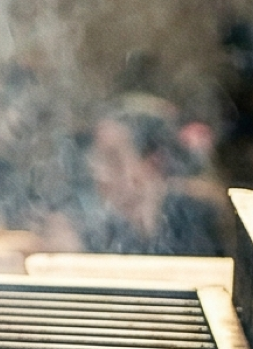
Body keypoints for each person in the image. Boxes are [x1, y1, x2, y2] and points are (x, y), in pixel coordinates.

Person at [83, 94, 232, 256]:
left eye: (113, 159)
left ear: (154, 163)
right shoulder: (97, 233)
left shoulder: (203, 220)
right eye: (96, 160)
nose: (100, 175)